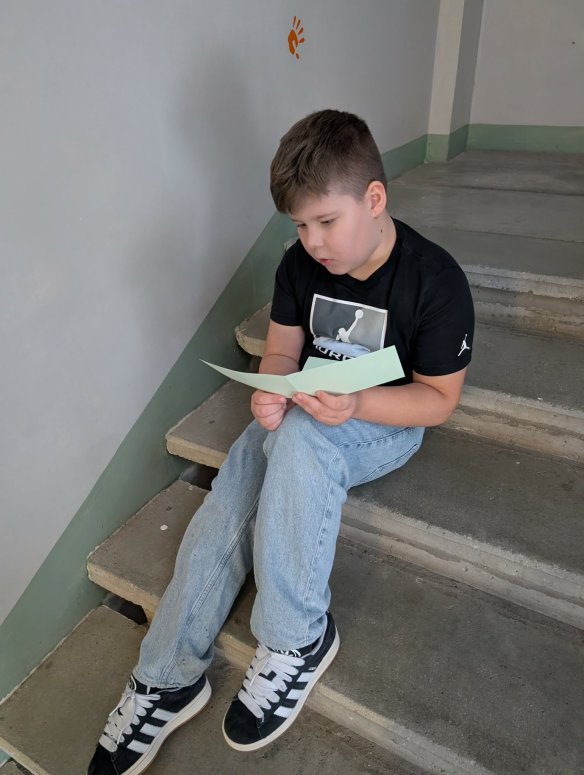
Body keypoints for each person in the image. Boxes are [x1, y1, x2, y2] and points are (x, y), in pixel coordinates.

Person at [88, 109, 474, 774]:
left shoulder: (434, 280)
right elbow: (282, 352)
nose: (312, 242)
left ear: (373, 198)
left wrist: (357, 403)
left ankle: (297, 639)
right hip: (306, 405)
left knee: (300, 443)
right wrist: (269, 392)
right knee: (236, 484)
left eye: (326, 221)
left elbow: (438, 399)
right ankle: (166, 676)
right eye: (300, 226)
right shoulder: (299, 265)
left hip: (384, 418)